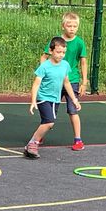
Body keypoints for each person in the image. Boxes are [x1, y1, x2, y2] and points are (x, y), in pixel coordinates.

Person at [23, 37, 80, 159]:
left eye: (63, 52)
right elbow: (36, 84)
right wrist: (33, 101)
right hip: (43, 98)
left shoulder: (65, 65)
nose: (61, 55)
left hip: (55, 99)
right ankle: (32, 144)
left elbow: (66, 83)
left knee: (48, 123)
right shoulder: (45, 66)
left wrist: (74, 99)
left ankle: (31, 144)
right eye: (58, 52)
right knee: (49, 122)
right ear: (51, 51)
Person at [45, 11, 89, 151]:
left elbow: (83, 62)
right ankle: (40, 136)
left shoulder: (79, 43)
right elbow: (44, 57)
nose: (72, 28)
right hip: (56, 81)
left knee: (73, 110)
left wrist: (84, 82)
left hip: (73, 81)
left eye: (75, 26)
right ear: (63, 26)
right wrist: (46, 73)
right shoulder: (56, 42)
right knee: (50, 111)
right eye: (69, 26)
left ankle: (78, 139)